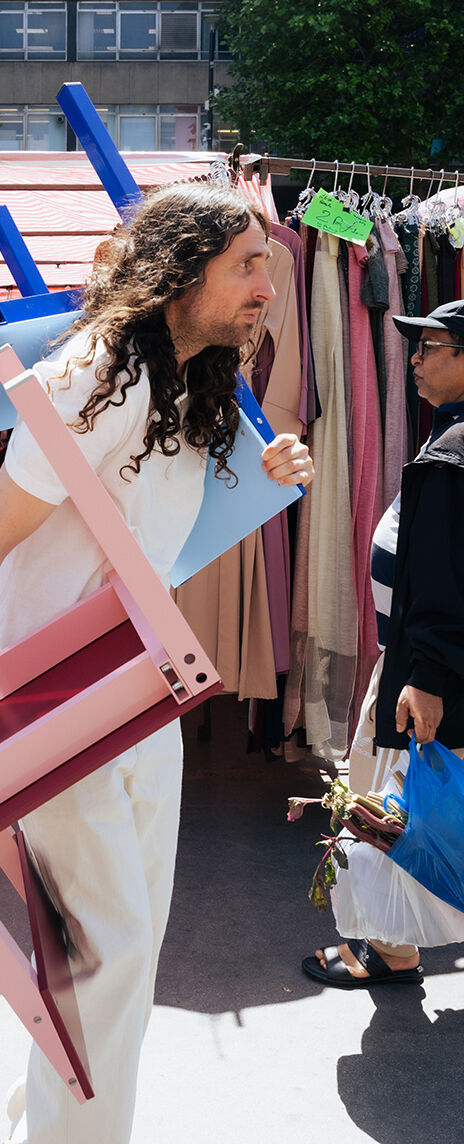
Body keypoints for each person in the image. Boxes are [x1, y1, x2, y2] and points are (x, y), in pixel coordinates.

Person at [0, 183, 313, 1144]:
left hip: (131, 683)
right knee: (106, 950)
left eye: (271, 269)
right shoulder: (98, 372)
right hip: (46, 691)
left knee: (126, 940)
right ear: (180, 267)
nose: (267, 288)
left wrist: (263, 471)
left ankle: (49, 1106)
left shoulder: (196, 380)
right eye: (248, 264)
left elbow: (158, 529)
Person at [304, 299, 464, 989]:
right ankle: (393, 945)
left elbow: (445, 583)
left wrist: (425, 673)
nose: (417, 360)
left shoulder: (454, 455)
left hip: (430, 675)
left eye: (431, 347)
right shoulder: (451, 439)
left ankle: (391, 951)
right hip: (422, 662)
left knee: (392, 808)